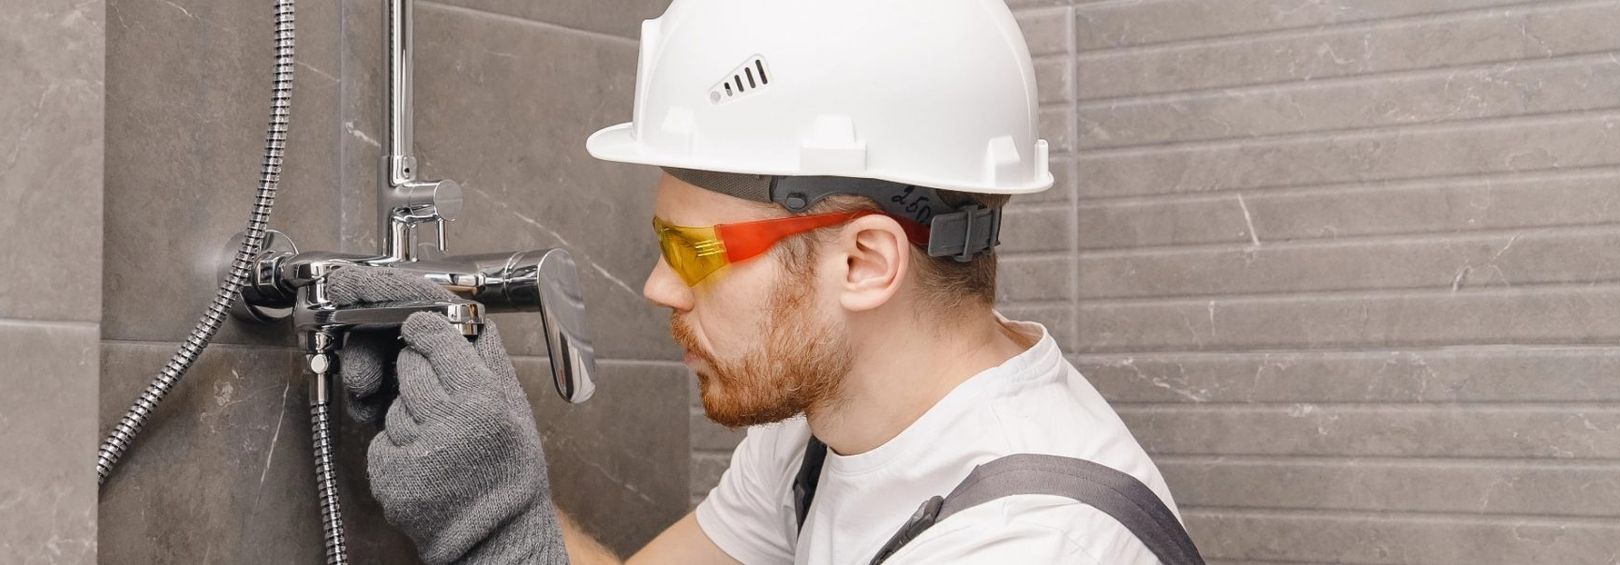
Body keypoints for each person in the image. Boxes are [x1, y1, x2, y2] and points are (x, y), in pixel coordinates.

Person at [330, 0, 1191, 563]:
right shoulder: (826, 431)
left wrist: (493, 527)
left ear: (863, 261)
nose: (661, 287)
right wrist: (490, 485)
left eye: (695, 250)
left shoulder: (1034, 542)